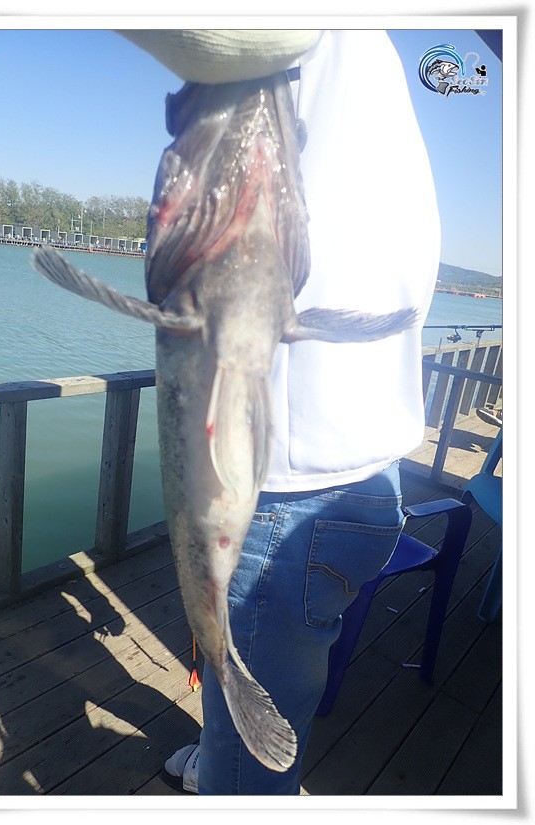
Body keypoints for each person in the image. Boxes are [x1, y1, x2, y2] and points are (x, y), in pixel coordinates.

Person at [120, 29, 441, 795]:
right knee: (265, 684)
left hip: (286, 499)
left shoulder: (290, 33)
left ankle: (234, 777)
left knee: (252, 755)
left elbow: (213, 35)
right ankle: (225, 754)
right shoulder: (375, 53)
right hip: (371, 477)